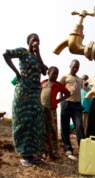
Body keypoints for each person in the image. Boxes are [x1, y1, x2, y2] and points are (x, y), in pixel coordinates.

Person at [3, 33, 48, 166]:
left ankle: (31, 154)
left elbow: (45, 71)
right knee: (23, 121)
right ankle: (23, 155)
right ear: (28, 41)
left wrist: (38, 54)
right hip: (23, 90)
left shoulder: (35, 57)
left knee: (34, 120)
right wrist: (16, 73)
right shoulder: (22, 52)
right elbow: (6, 55)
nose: (36, 42)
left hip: (35, 92)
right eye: (34, 40)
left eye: (38, 41)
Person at [40, 66, 71, 162]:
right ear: (48, 72)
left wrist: (58, 101)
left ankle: (52, 153)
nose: (55, 75)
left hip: (51, 110)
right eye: (53, 73)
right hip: (41, 110)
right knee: (43, 131)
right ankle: (44, 152)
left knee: (52, 131)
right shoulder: (42, 83)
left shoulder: (58, 85)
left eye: (57, 74)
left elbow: (68, 93)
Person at [60, 59, 84, 160]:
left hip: (77, 105)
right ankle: (68, 148)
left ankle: (83, 149)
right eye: (74, 66)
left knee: (79, 126)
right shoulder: (65, 77)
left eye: (77, 66)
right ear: (70, 65)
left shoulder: (80, 79)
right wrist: (61, 102)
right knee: (65, 127)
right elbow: (60, 89)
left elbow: (85, 88)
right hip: (66, 103)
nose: (75, 68)